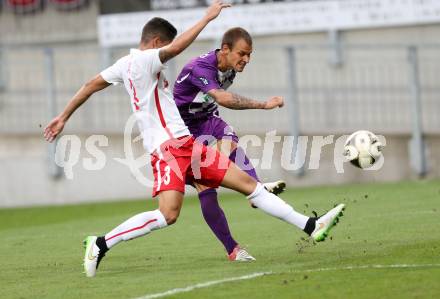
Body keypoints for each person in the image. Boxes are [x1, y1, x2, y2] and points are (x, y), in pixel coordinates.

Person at [44, 1, 345, 278]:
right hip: (168, 150)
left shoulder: (121, 66)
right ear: (157, 42)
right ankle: (100, 243)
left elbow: (89, 85)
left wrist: (63, 117)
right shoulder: (146, 59)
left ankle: (311, 225)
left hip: (188, 144)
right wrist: (206, 18)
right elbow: (175, 50)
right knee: (168, 214)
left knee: (249, 186)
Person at [173, 27, 286, 261]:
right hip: (180, 131)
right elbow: (223, 99)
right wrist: (263, 105)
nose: (246, 60)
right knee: (206, 187)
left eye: (250, 55)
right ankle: (232, 248)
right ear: (225, 49)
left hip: (206, 121)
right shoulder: (200, 67)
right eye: (242, 54)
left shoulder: (229, 70)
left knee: (229, 138)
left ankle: (256, 189)